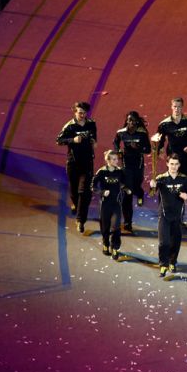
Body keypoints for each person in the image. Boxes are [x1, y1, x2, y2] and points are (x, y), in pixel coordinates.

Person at [149, 154, 187, 277]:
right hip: (164, 214)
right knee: (163, 242)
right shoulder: (161, 178)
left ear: (179, 165)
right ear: (167, 164)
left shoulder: (184, 179)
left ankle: (172, 262)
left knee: (175, 241)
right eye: (171, 164)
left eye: (176, 164)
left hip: (178, 215)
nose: (174, 166)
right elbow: (152, 192)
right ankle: (163, 265)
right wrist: (152, 185)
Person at [56, 101, 97, 233]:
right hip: (73, 163)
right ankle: (75, 203)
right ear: (75, 112)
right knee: (74, 190)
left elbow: (94, 136)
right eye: (80, 112)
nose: (82, 115)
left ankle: (80, 220)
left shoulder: (91, 123)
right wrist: (72, 140)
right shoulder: (70, 126)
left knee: (83, 192)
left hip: (87, 162)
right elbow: (59, 140)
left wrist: (94, 142)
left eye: (84, 113)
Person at [113, 111, 150, 232]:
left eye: (133, 120)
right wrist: (118, 151)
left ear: (137, 122)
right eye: (129, 120)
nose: (131, 123)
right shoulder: (121, 132)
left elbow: (148, 149)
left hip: (138, 165)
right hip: (126, 165)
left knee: (136, 186)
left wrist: (138, 148)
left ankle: (140, 194)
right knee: (127, 192)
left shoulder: (142, 133)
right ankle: (128, 222)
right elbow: (115, 142)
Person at [92, 150, 131, 260]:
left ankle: (115, 247)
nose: (116, 161)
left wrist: (126, 189)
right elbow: (93, 186)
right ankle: (105, 244)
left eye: (117, 159)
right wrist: (102, 192)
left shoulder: (120, 171)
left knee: (116, 227)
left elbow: (123, 183)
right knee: (105, 227)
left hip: (116, 204)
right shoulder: (102, 172)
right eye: (113, 159)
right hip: (105, 204)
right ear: (107, 160)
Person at [156, 97, 187, 178]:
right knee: (172, 178)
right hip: (172, 155)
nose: (177, 109)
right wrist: (159, 150)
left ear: (182, 107)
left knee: (186, 178)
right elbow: (160, 138)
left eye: (179, 107)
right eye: (175, 106)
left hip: (186, 156)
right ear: (171, 107)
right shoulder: (164, 124)